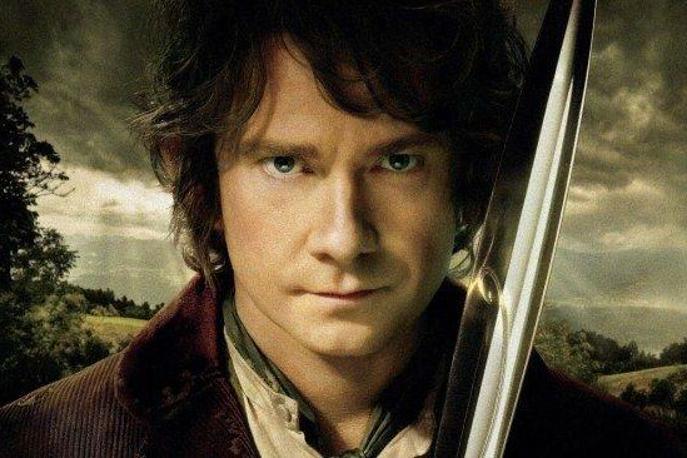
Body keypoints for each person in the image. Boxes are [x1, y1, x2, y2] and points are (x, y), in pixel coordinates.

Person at [1, 1, 684, 457]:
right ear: (207, 187)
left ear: (467, 181)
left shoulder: (630, 451)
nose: (344, 238)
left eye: (397, 161)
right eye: (286, 163)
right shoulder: (41, 444)